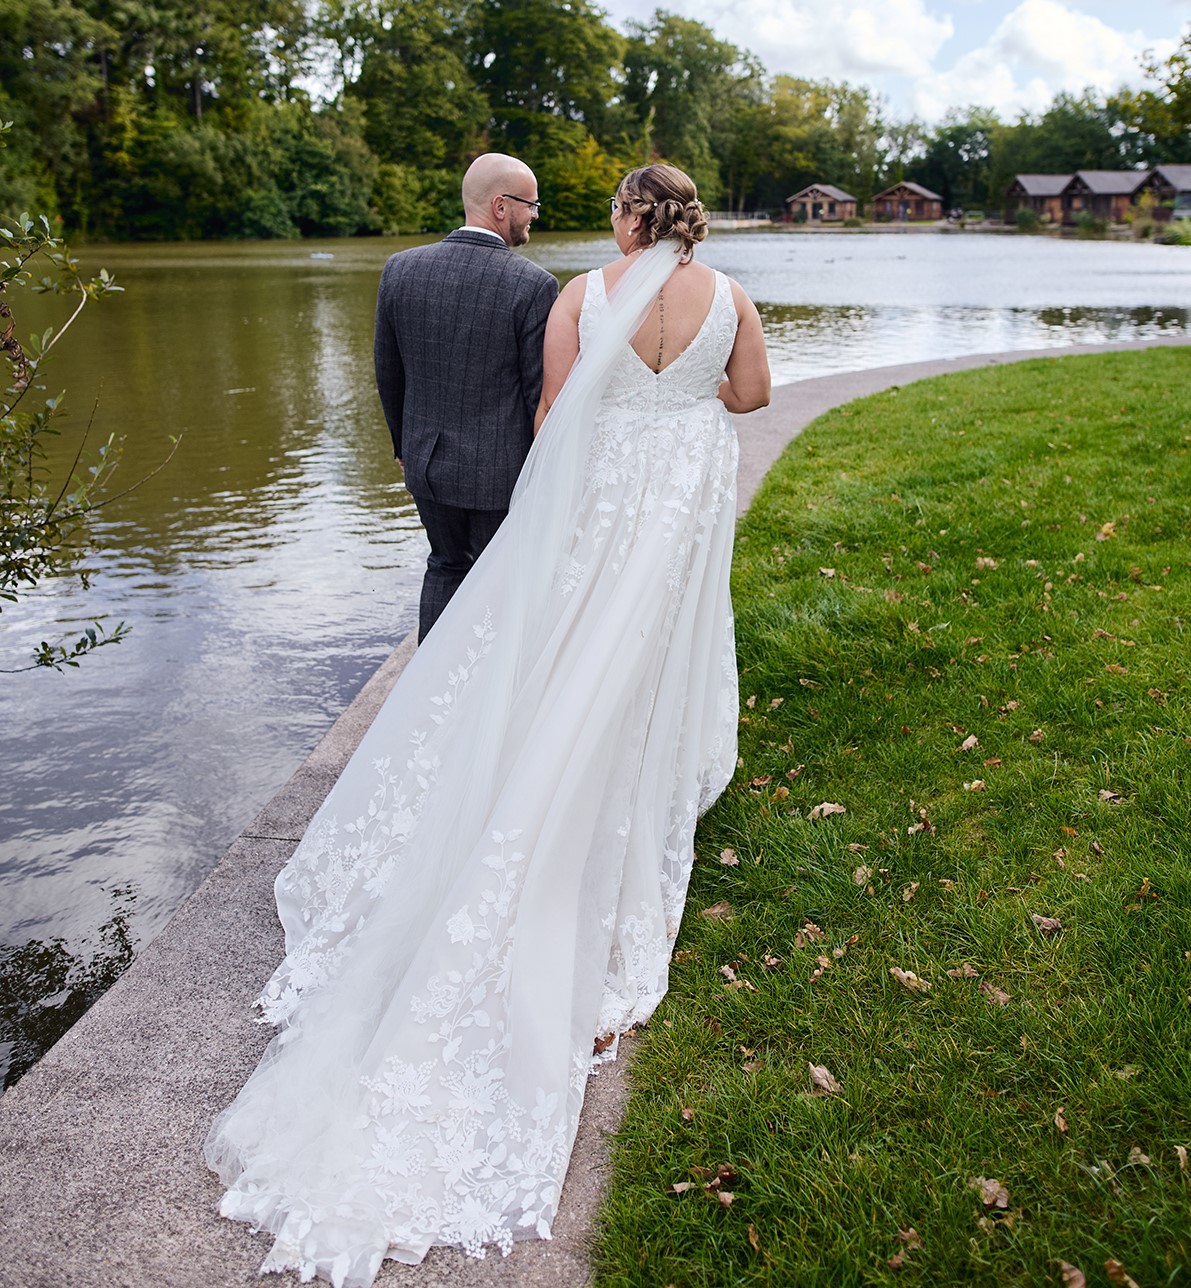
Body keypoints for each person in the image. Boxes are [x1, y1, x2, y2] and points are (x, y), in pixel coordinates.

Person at [205, 163, 771, 1286]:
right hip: (679, 492)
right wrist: (683, 403)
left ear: (623, 217)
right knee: (646, 645)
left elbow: (556, 414)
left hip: (609, 483)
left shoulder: (576, 294)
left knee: (561, 641)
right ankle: (627, 762)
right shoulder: (736, 296)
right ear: (692, 220)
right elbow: (751, 399)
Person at [374, 152, 558, 640]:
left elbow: (388, 374)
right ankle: (488, 700)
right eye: (531, 206)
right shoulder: (534, 285)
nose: (535, 216)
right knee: (501, 580)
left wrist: (402, 447)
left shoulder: (400, 269)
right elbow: (536, 392)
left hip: (427, 464)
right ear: (501, 206)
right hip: (502, 473)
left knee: (444, 565)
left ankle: (429, 695)